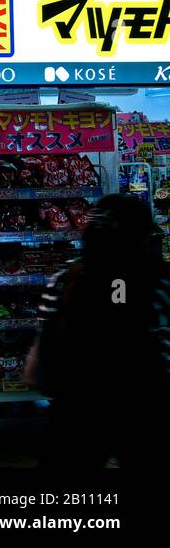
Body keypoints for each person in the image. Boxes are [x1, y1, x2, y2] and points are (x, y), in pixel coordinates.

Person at [26, 193, 169, 468]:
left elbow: (44, 337)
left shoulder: (67, 277)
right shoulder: (159, 280)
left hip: (78, 403)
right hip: (144, 404)